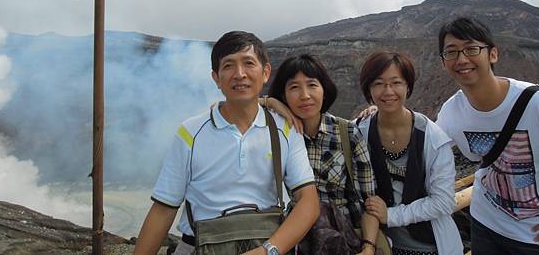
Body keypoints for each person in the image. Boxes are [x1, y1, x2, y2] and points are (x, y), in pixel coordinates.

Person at [134, 31, 319, 255]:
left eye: (249, 63)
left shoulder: (286, 130)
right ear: (216, 78)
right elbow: (164, 209)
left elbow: (308, 202)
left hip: (265, 245)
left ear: (265, 72)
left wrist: (267, 251)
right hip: (198, 247)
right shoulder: (190, 133)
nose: (240, 74)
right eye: (229, 65)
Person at [436, 17, 539, 255]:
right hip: (485, 225)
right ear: (443, 62)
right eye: (451, 52)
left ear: (493, 54)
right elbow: (425, 146)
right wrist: (379, 114)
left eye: (471, 49)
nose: (461, 59)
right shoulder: (452, 111)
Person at [268, 54, 381, 255]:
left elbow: (368, 201)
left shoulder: (347, 133)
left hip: (340, 240)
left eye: (312, 85)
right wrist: (269, 102)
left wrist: (369, 247)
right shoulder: (275, 134)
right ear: (284, 96)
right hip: (288, 241)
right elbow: (234, 107)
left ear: (324, 89)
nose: (305, 95)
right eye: (294, 87)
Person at [358, 51, 463, 255]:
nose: (388, 91)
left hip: (429, 247)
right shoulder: (359, 132)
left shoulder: (432, 137)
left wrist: (390, 215)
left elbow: (443, 202)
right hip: (382, 245)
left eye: (396, 83)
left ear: (408, 86)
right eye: (378, 83)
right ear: (369, 89)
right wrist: (275, 104)